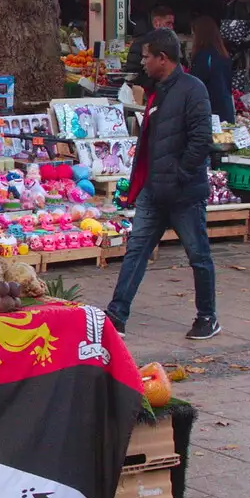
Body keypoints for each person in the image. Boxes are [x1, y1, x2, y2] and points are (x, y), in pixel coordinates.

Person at [105, 29, 219, 340]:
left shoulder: (193, 90)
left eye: (146, 57)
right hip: (154, 192)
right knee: (136, 251)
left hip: (184, 193)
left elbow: (201, 140)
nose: (142, 63)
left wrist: (181, 173)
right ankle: (116, 315)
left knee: (198, 255)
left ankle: (207, 316)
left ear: (163, 59)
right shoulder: (157, 90)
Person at [188, 15, 235, 123]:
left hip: (210, 114)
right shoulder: (223, 55)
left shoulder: (203, 57)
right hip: (226, 111)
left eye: (193, 34)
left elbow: (196, 85)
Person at [121, 4, 175, 92]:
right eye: (168, 23)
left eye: (172, 24)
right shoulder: (140, 43)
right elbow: (133, 73)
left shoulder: (171, 44)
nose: (171, 28)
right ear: (156, 23)